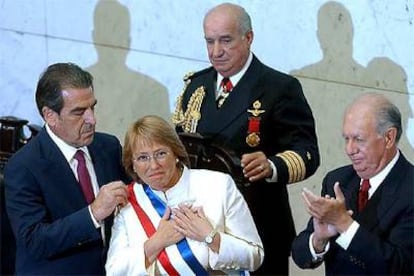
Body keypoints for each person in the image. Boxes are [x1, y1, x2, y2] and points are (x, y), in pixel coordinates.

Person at [172, 3, 319, 274]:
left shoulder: (279, 87)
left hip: (257, 226)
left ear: (248, 38)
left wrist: (272, 165)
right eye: (210, 41)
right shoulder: (196, 86)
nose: (216, 52)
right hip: (199, 227)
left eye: (226, 41)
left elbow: (307, 151)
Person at [3, 62, 129, 275]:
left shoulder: (108, 147)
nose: (92, 119)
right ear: (50, 116)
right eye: (79, 112)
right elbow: (34, 241)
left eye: (92, 107)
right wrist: (93, 213)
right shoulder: (23, 166)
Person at [105, 115, 264, 275]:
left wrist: (210, 237)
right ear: (132, 164)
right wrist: (156, 242)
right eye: (142, 157)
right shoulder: (130, 202)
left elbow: (255, 256)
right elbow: (114, 271)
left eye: (161, 154)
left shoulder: (219, 185)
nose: (153, 165)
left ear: (175, 153)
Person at [291, 93, 414, 275]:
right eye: (346, 139)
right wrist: (318, 240)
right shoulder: (337, 180)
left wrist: (345, 225)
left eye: (359, 139)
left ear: (389, 138)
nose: (349, 150)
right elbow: (300, 256)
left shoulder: (410, 188)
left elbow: (401, 267)